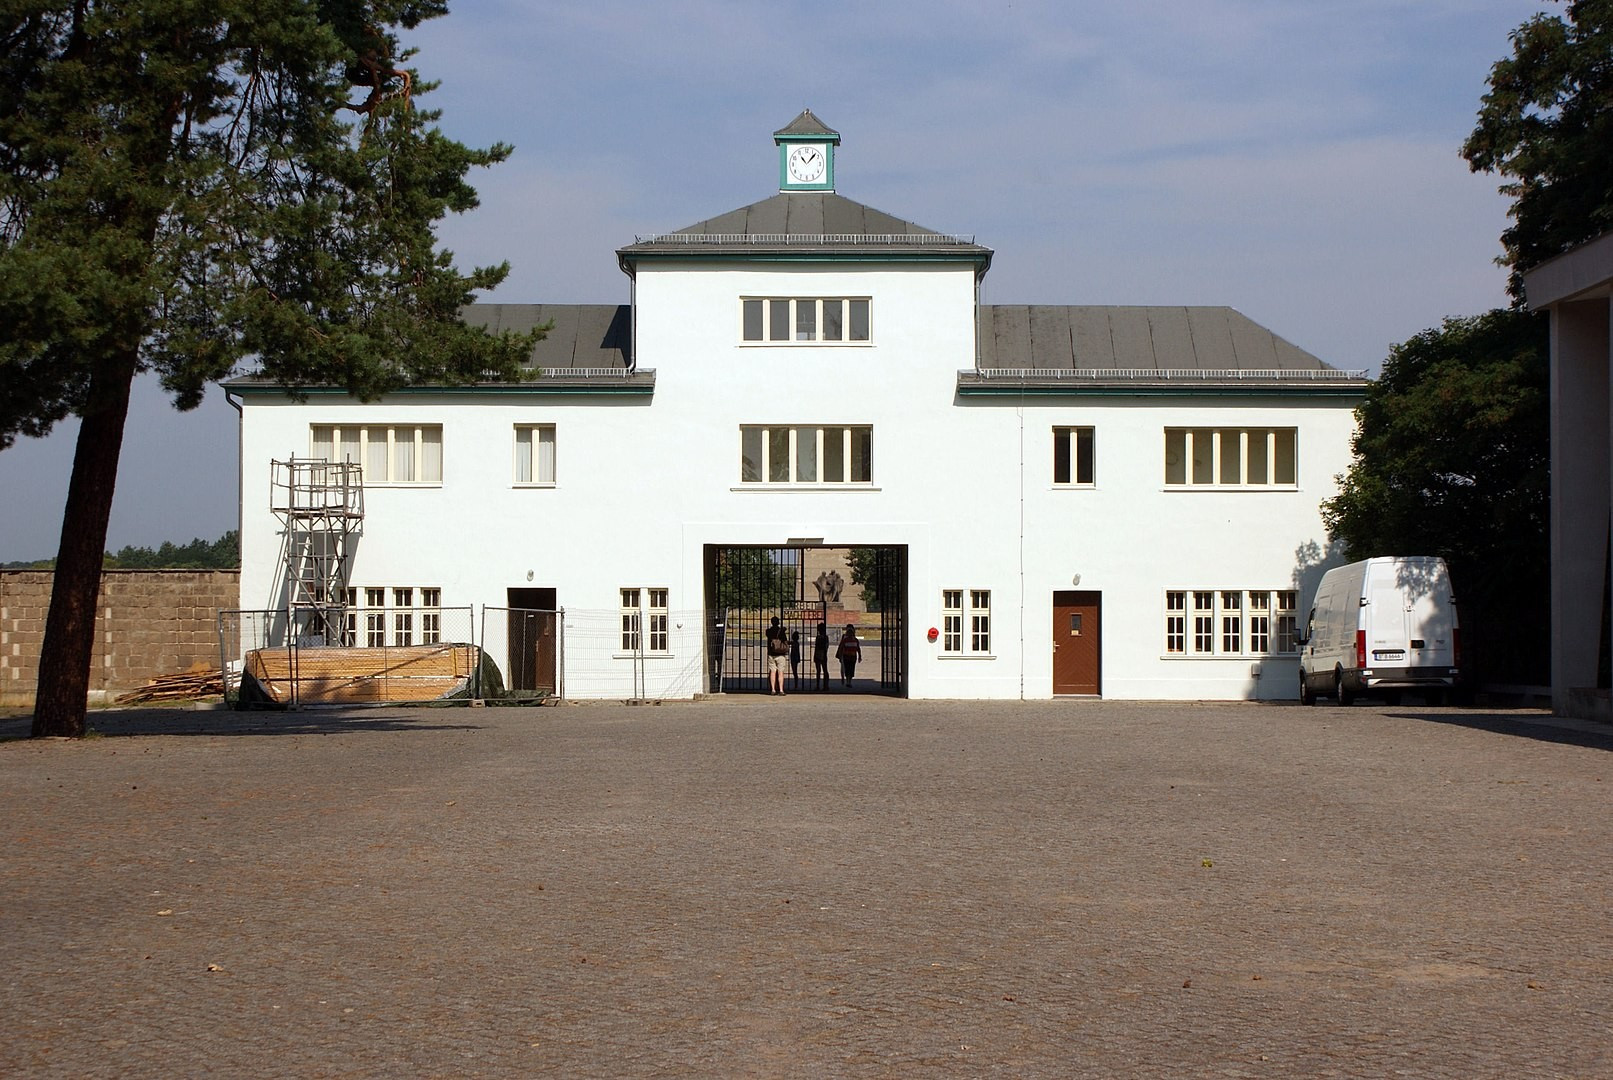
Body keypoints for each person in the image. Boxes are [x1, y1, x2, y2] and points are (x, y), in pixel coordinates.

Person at [765, 615, 789, 696]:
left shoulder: (768, 631)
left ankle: (773, 689)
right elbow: (785, 641)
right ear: (778, 622)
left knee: (772, 671)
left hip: (771, 653)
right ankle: (781, 690)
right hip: (780, 654)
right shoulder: (781, 631)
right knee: (780, 672)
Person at [813, 622, 830, 689]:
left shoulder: (818, 637)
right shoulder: (825, 637)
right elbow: (826, 646)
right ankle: (826, 685)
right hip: (823, 654)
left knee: (819, 671)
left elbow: (816, 647)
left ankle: (818, 685)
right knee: (825, 670)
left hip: (818, 654)